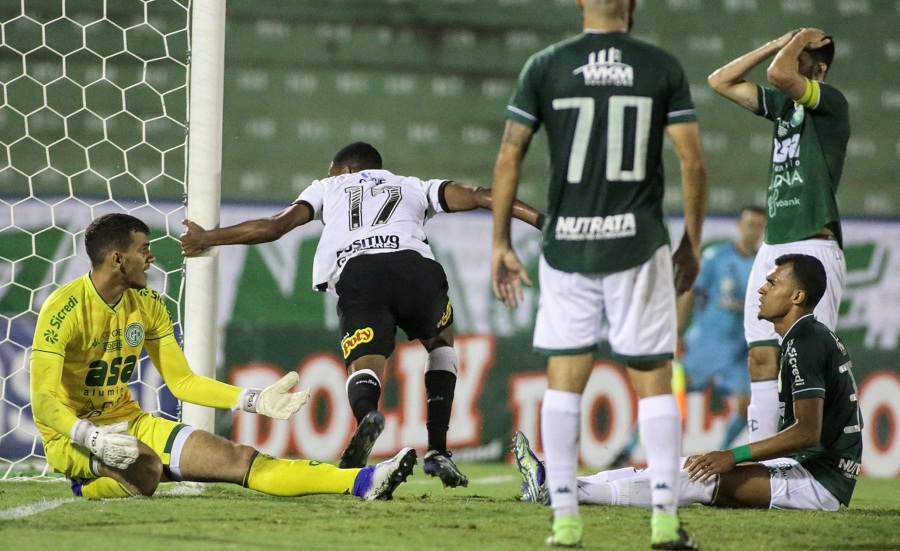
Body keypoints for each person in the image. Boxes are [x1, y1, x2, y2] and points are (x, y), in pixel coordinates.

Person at [181, 141, 544, 488]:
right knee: (441, 345)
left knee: (365, 364)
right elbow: (484, 196)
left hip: (360, 273)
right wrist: (544, 221)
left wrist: (208, 237)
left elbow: (275, 226)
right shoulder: (414, 186)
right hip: (414, 268)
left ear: (344, 169)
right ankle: (437, 448)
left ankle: (367, 415)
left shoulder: (328, 186)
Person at [490, 0, 708, 547]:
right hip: (637, 241)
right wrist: (692, 241)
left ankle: (565, 522)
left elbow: (509, 155)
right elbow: (693, 161)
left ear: (581, 2)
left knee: (564, 381)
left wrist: (500, 241)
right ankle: (663, 520)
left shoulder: (546, 65)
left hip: (567, 244)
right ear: (632, 5)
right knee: (654, 378)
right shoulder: (661, 66)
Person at [30, 213, 416, 501]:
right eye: (143, 249)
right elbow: (44, 402)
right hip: (71, 434)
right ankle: (88, 482)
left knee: (238, 458)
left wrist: (253, 400)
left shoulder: (147, 304)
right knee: (145, 468)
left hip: (130, 421)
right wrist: (89, 435)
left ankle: (364, 481)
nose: (151, 257)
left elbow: (182, 382)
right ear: (117, 259)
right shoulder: (62, 310)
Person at [514, 254, 863, 513]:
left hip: (820, 482)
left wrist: (732, 455)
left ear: (796, 297)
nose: (761, 288)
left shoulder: (806, 342)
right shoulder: (808, 337)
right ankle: (559, 483)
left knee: (698, 479)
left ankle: (565, 492)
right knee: (685, 466)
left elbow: (807, 433)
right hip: (812, 470)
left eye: (773, 283)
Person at [708, 28, 849, 444]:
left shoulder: (831, 101)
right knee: (760, 356)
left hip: (813, 245)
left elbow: (778, 75)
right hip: (775, 245)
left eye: (800, 54)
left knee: (805, 361)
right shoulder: (783, 108)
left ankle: (811, 456)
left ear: (818, 69)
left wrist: (798, 41)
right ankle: (763, 455)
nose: (790, 58)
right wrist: (773, 43)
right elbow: (720, 81)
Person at [611, 206, 766, 467]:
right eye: (749, 224)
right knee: (666, 392)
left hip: (740, 348)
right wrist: (676, 329)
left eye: (758, 226)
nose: (753, 230)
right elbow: (690, 291)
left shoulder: (763, 264)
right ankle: (627, 449)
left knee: (745, 406)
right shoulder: (716, 256)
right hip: (706, 344)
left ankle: (715, 458)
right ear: (739, 225)